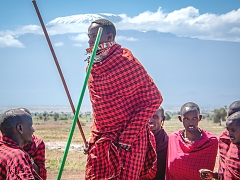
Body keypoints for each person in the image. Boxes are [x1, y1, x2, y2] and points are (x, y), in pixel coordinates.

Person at [84, 19, 163, 179]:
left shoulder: (126, 62)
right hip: (102, 138)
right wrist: (93, 137)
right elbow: (99, 109)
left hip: (129, 141)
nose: (90, 41)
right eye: (89, 36)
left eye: (94, 36)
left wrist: (128, 136)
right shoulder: (92, 66)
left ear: (109, 36)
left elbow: (154, 98)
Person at [165, 102, 218, 180]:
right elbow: (168, 170)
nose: (191, 123)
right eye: (186, 119)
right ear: (180, 119)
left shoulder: (210, 142)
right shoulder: (173, 138)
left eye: (194, 118)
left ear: (199, 118)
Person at [200, 100, 240, 180]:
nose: (233, 119)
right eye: (230, 116)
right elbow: (226, 170)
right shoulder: (224, 138)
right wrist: (214, 175)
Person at [0, 108, 42, 179]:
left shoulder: (3, 149)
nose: (33, 130)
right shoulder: (17, 156)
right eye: (30, 125)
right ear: (20, 128)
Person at [19, 108, 47, 180]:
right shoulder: (5, 143)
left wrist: (25, 157)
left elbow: (41, 174)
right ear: (19, 128)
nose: (33, 130)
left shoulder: (37, 144)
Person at [147, 107, 168, 180]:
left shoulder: (168, 142)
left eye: (155, 117)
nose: (150, 120)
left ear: (163, 119)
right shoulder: (138, 141)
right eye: (148, 116)